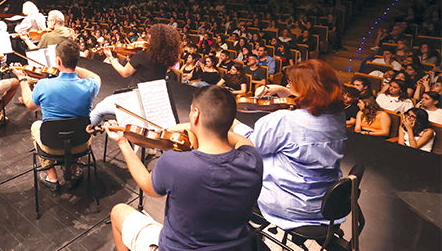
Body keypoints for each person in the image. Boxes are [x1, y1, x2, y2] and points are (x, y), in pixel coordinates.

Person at [108, 86, 263, 251]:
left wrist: (123, 143)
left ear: (195, 115)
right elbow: (240, 140)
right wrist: (213, 126)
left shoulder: (175, 163)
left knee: (118, 212)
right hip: (236, 247)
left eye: (191, 113)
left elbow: (148, 186)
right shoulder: (252, 159)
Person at [231, 59, 347, 230]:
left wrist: (232, 124)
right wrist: (284, 90)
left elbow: (252, 146)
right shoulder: (338, 115)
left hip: (291, 206)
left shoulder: (285, 120)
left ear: (305, 89)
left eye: (291, 83)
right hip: (324, 203)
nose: (288, 84)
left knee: (233, 172)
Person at [14, 40, 100, 190]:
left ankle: (51, 176)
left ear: (58, 60)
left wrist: (22, 78)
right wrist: (72, 65)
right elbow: (95, 76)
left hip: (51, 145)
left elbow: (30, 105)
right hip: (80, 143)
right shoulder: (90, 86)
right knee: (80, 125)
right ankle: (73, 170)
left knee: (36, 125)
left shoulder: (43, 85)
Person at [104, 23, 180, 84]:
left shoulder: (142, 55)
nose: (147, 38)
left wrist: (110, 57)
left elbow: (124, 73)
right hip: (156, 91)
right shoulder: (166, 56)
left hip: (138, 91)